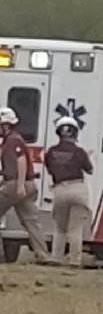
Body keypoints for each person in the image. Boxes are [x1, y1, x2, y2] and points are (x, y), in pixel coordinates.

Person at [0, 107, 55, 264]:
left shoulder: (13, 140)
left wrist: (20, 185)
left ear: (6, 125)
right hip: (24, 184)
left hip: (15, 185)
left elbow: (21, 160)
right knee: (31, 221)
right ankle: (42, 254)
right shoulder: (12, 140)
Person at [44, 116, 93, 267]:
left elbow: (51, 170)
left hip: (60, 190)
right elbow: (89, 169)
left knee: (60, 228)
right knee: (76, 228)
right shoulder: (79, 152)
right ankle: (74, 260)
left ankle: (56, 257)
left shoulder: (51, 152)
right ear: (75, 133)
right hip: (78, 188)